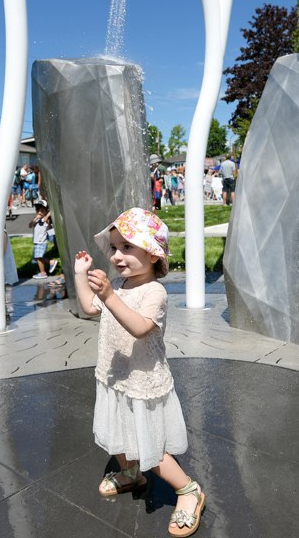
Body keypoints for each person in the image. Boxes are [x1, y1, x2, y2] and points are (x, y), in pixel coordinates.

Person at [73, 207, 205, 537]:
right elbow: (89, 308)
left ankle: (189, 491)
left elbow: (141, 328)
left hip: (143, 380)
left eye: (127, 247)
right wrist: (80, 274)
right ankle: (132, 474)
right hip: (116, 374)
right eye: (114, 248)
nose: (117, 256)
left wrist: (108, 295)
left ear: (153, 253)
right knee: (116, 432)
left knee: (153, 448)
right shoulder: (118, 284)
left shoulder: (154, 292)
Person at [28, 199, 57, 279]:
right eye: (38, 210)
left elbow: (49, 214)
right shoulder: (37, 220)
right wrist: (35, 218)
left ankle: (44, 271)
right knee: (37, 257)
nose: (39, 212)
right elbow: (30, 225)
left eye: (42, 210)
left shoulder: (44, 220)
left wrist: (47, 214)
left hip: (41, 242)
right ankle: (47, 267)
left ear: (46, 211)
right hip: (37, 242)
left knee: (38, 257)